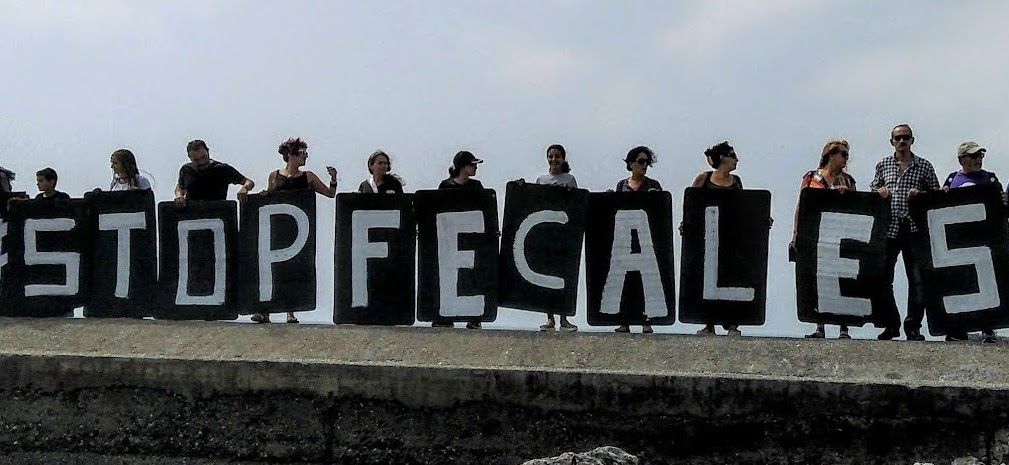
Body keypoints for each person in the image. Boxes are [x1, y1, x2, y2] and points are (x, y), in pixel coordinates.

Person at [251, 137, 338, 324]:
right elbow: (270, 193)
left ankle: (290, 311)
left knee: (294, 269)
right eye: (302, 153)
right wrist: (264, 194)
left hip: (299, 229)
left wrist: (333, 179)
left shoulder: (308, 177)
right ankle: (265, 311)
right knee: (273, 270)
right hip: (277, 228)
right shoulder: (275, 175)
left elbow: (330, 194)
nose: (305, 156)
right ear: (291, 155)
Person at [870, 124, 940, 341]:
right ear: (892, 141)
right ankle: (891, 324)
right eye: (898, 138)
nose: (902, 142)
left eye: (906, 138)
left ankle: (913, 326)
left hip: (914, 229)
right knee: (883, 278)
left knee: (918, 279)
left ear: (912, 140)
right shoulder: (883, 165)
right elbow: (872, 189)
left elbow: (936, 194)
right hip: (889, 228)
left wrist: (921, 195)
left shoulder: (924, 166)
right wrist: (878, 192)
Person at [791, 140, 857, 339]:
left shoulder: (847, 180)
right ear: (831, 154)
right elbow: (801, 206)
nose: (846, 159)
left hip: (840, 235)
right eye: (843, 154)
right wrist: (796, 233)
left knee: (842, 279)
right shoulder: (811, 177)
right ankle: (819, 325)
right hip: (815, 235)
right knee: (817, 278)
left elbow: (856, 208)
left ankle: (844, 327)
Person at [941, 141, 1002, 343]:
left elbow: (1001, 210)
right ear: (962, 159)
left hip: (983, 242)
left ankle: (988, 327)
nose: (978, 160)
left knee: (987, 285)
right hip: (958, 243)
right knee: (960, 285)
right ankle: (958, 328)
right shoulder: (952, 179)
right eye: (973, 156)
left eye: (980, 156)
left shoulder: (990, 178)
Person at [689, 141, 743, 337]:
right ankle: (708, 322)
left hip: (729, 238)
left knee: (730, 277)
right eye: (733, 155)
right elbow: (691, 204)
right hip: (707, 238)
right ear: (723, 158)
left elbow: (743, 207)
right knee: (706, 279)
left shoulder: (736, 181)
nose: (737, 159)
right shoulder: (704, 179)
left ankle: (732, 323)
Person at [613, 146, 661, 334]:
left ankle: (645, 320)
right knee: (625, 281)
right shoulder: (621, 185)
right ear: (631, 163)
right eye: (641, 161)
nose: (644, 165)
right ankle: (624, 320)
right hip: (625, 241)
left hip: (646, 242)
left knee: (645, 281)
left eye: (647, 162)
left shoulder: (653, 184)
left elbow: (660, 214)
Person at [436, 150, 485, 329]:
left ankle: (473, 317)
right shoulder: (445, 186)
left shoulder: (477, 186)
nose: (475, 168)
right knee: (448, 276)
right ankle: (446, 315)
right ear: (462, 167)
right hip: (449, 241)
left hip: (470, 239)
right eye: (472, 164)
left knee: (470, 276)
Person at [534, 144, 578, 332]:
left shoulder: (570, 179)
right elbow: (533, 202)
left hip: (563, 235)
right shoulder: (541, 179)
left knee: (563, 276)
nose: (554, 160)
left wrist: (571, 191)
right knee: (546, 276)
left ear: (563, 158)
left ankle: (564, 318)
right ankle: (550, 318)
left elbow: (577, 204)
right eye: (551, 156)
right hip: (546, 234)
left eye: (557, 156)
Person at [174, 139, 254, 204]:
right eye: (196, 160)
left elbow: (248, 181)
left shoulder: (222, 169)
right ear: (189, 157)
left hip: (216, 213)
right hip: (192, 214)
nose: (201, 162)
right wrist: (179, 196)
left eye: (203, 157)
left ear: (208, 151)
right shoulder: (186, 170)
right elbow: (180, 187)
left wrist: (244, 189)